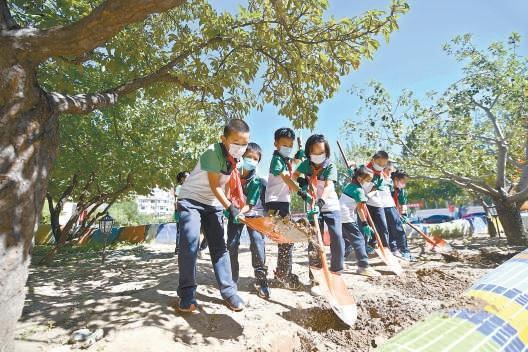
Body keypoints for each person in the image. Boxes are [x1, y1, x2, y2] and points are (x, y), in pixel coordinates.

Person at [176, 118, 248, 313]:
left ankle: (229, 292)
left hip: (212, 203)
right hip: (191, 200)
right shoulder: (212, 152)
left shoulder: (237, 159)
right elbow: (214, 185)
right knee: (190, 244)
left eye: (244, 144)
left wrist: (236, 205)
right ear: (223, 139)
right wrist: (229, 207)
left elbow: (227, 185)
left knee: (219, 247)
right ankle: (187, 294)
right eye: (236, 143)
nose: (241, 147)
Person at [294, 134, 345, 292]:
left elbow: (329, 186)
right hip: (313, 207)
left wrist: (320, 202)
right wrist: (301, 182)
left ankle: (336, 271)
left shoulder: (330, 166)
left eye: (321, 152)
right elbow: (294, 175)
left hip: (330, 205)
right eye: (314, 152)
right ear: (309, 152)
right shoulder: (306, 165)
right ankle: (315, 278)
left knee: (336, 237)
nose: (318, 155)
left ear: (326, 151)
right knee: (315, 241)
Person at [225, 143, 270, 298]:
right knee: (231, 245)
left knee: (257, 243)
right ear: (241, 157)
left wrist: (240, 212)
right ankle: (232, 279)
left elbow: (250, 204)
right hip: (235, 213)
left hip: (253, 214)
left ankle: (261, 281)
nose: (251, 160)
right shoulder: (232, 175)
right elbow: (226, 195)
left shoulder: (257, 181)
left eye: (255, 159)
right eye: (248, 157)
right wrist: (232, 211)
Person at [264, 128, 304, 290]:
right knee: (287, 238)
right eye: (284, 144)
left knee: (286, 239)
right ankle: (282, 273)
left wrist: (298, 159)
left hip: (283, 203)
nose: (287, 147)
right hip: (274, 204)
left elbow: (293, 170)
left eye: (290, 145)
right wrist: (300, 191)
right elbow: (287, 179)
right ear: (276, 144)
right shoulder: (276, 160)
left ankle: (283, 271)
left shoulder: (285, 160)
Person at [340, 165, 381, 277]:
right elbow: (360, 209)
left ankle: (339, 264)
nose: (369, 182)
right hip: (346, 217)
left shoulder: (351, 185)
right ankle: (363, 266)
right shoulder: (359, 190)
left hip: (339, 216)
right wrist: (365, 224)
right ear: (359, 178)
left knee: (342, 240)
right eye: (368, 180)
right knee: (359, 240)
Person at [385, 166, 415, 261]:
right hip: (382, 208)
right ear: (396, 179)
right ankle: (397, 250)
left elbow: (403, 203)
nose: (404, 184)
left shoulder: (400, 189)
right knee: (391, 229)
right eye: (403, 181)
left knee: (397, 229)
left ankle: (403, 251)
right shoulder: (387, 185)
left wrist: (404, 215)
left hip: (392, 209)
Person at [364, 151, 391, 252]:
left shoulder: (380, 175)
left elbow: (375, 188)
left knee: (383, 227)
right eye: (379, 163)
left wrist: (368, 196)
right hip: (364, 204)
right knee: (368, 227)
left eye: (383, 164)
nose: (381, 166)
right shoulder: (363, 170)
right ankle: (370, 246)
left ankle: (386, 249)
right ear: (373, 160)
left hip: (377, 204)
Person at [174, 171, 189, 255]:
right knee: (180, 230)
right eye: (187, 176)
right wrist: (177, 211)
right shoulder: (179, 187)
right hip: (180, 211)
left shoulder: (189, 188)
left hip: (187, 211)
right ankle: (178, 248)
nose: (189, 178)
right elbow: (176, 200)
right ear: (182, 179)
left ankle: (184, 248)